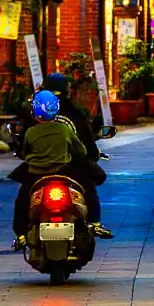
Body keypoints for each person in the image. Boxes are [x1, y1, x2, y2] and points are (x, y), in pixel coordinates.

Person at [43, 72, 113, 239]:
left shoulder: (37, 114)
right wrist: (92, 154)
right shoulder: (75, 114)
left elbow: (24, 142)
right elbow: (86, 144)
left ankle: (21, 234)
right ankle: (94, 223)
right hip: (73, 167)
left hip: (40, 168)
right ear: (67, 92)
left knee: (25, 194)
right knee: (89, 187)